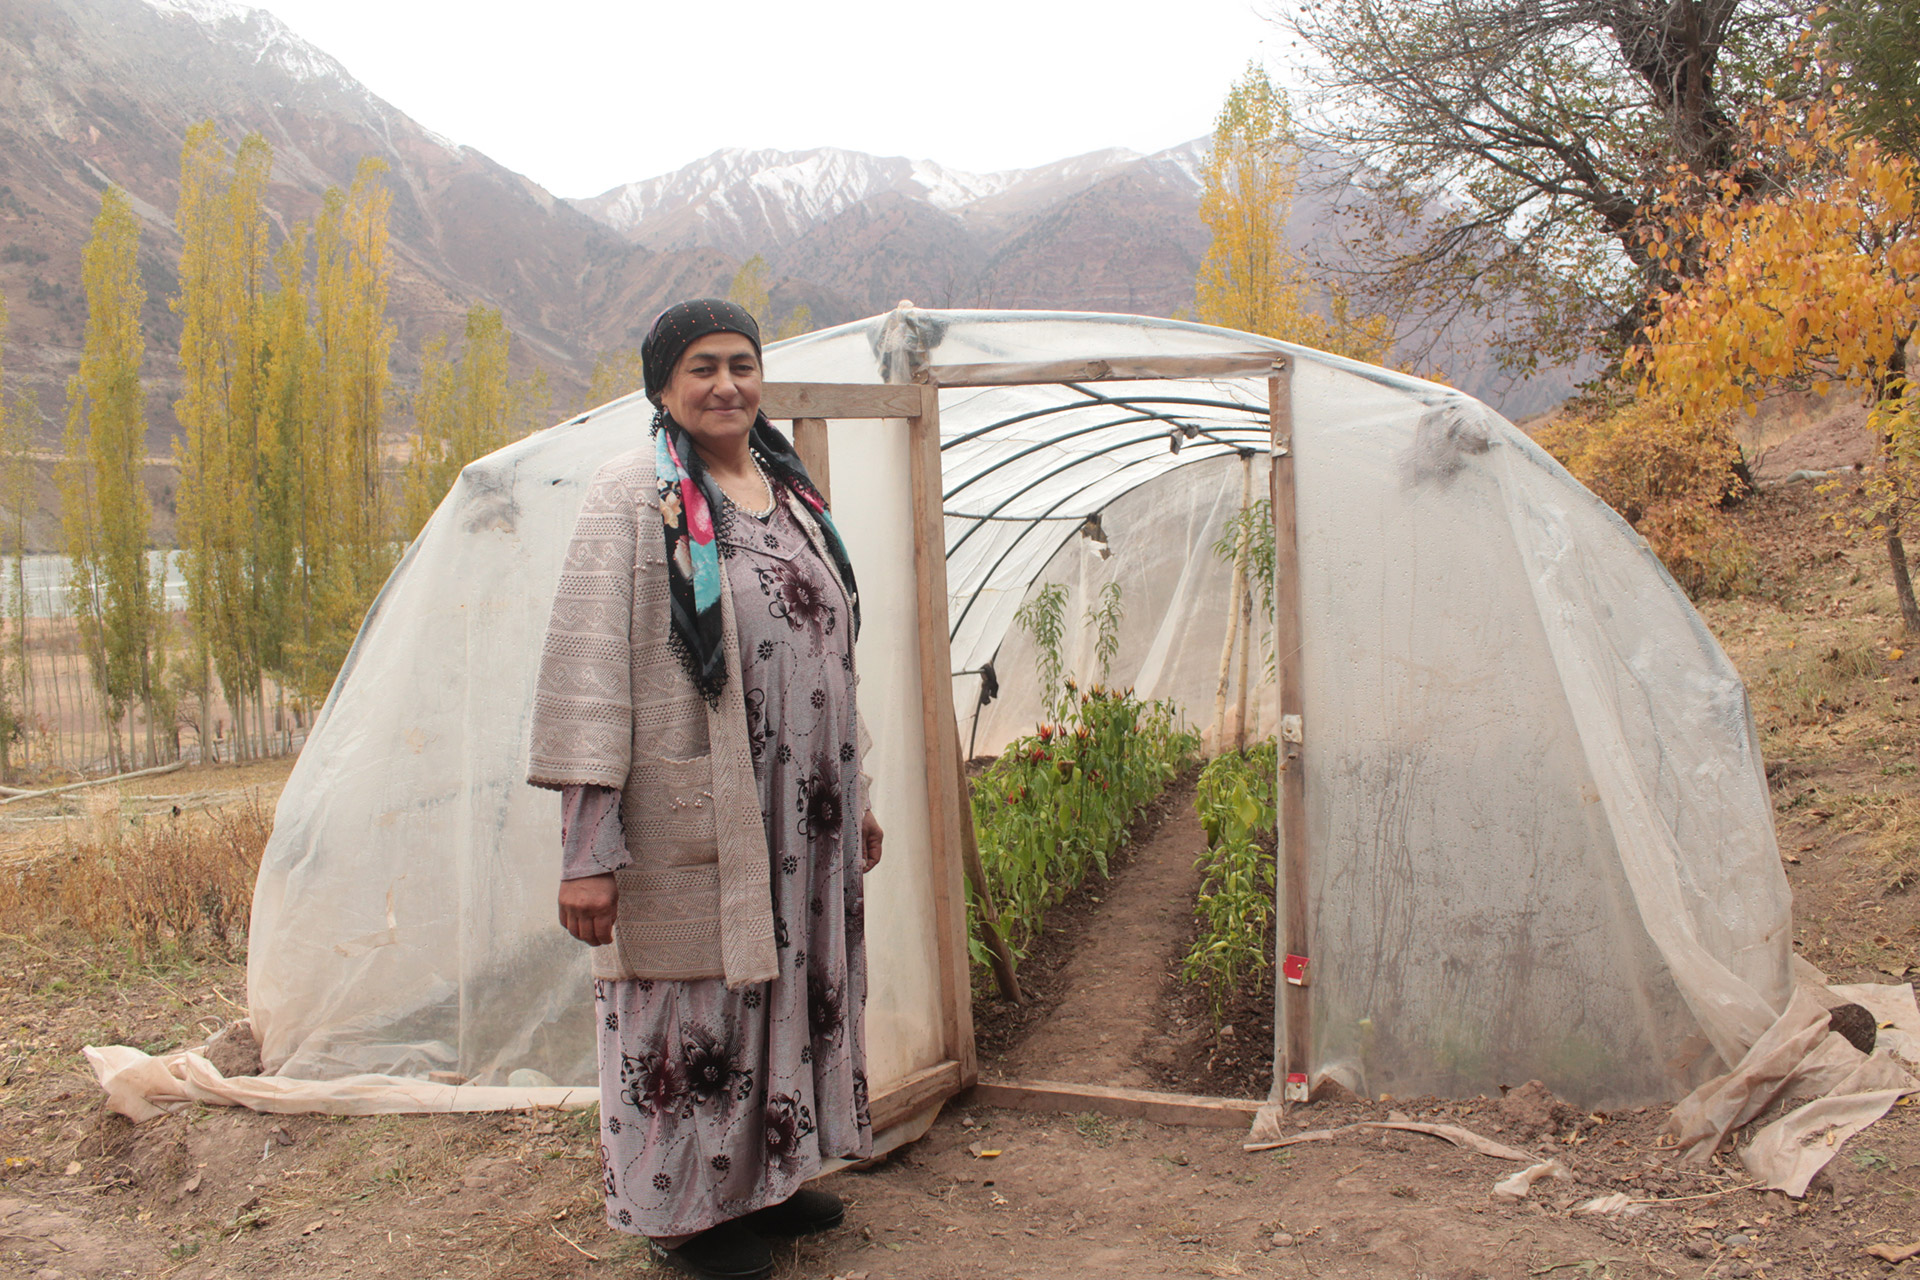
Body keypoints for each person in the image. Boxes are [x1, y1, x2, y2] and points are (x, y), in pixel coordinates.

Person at [528, 298, 882, 1280]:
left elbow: (835, 651)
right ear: (660, 387)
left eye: (742, 362)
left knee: (786, 993)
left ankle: (764, 1177)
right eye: (700, 366)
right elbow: (588, 670)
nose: (726, 382)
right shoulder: (633, 495)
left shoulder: (790, 490)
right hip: (702, 806)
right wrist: (587, 847)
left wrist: (863, 795)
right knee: (692, 1014)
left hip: (799, 811)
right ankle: (683, 1216)